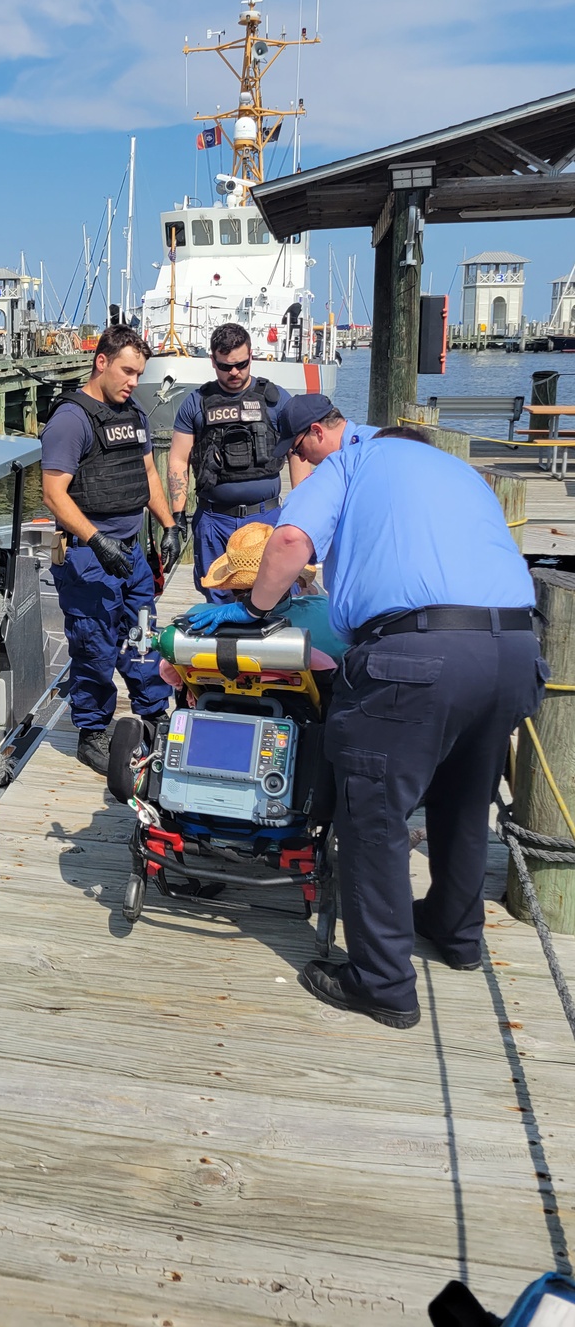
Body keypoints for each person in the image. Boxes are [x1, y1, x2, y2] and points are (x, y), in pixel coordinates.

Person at [187, 426, 545, 1030]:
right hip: (515, 649)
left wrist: (253, 611)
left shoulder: (354, 462)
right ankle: (456, 931)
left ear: (342, 439)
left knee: (371, 810)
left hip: (420, 653)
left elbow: (291, 540)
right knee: (465, 794)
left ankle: (382, 981)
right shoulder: (460, 471)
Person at [41, 325, 181, 775]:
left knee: (144, 634)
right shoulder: (71, 420)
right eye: (126, 371)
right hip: (88, 556)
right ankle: (92, 732)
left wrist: (169, 524)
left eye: (139, 374)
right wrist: (96, 541)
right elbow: (53, 494)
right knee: (94, 644)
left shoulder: (132, 413)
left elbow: (148, 477)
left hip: (132, 552)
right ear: (101, 362)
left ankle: (155, 713)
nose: (133, 382)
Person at [165, 324, 310, 605]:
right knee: (218, 604)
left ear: (251, 356)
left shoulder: (276, 401)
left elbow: (297, 451)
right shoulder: (195, 403)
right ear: (212, 361)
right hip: (214, 521)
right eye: (225, 366)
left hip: (265, 519)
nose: (234, 372)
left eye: (241, 365)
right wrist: (177, 516)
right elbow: (178, 459)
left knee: (278, 600)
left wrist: (301, 509)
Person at [272, 393, 378, 469]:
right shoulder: (368, 443)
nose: (302, 459)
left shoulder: (369, 455)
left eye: (300, 450)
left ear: (317, 431)